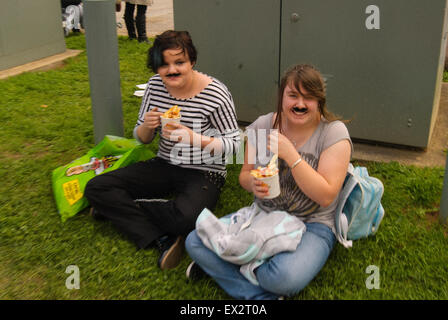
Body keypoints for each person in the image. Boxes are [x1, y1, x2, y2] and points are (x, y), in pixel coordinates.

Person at [185, 64, 353, 299]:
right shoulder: (263, 126)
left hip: (313, 224)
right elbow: (244, 174)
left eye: (309, 98)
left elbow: (326, 196)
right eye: (293, 95)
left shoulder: (334, 134)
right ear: (282, 95)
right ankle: (261, 294)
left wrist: (291, 156)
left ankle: (225, 264)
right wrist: (252, 184)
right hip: (263, 214)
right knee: (195, 240)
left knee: (282, 277)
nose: (300, 104)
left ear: (319, 100)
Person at [85, 30, 240, 270]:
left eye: (179, 62)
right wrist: (146, 126)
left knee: (187, 218)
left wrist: (193, 138)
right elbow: (141, 138)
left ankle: (118, 209)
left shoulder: (216, 93)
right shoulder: (154, 86)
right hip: (164, 163)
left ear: (192, 62)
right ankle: (162, 237)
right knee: (97, 187)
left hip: (205, 171)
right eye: (164, 64)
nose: (172, 70)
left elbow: (234, 146)